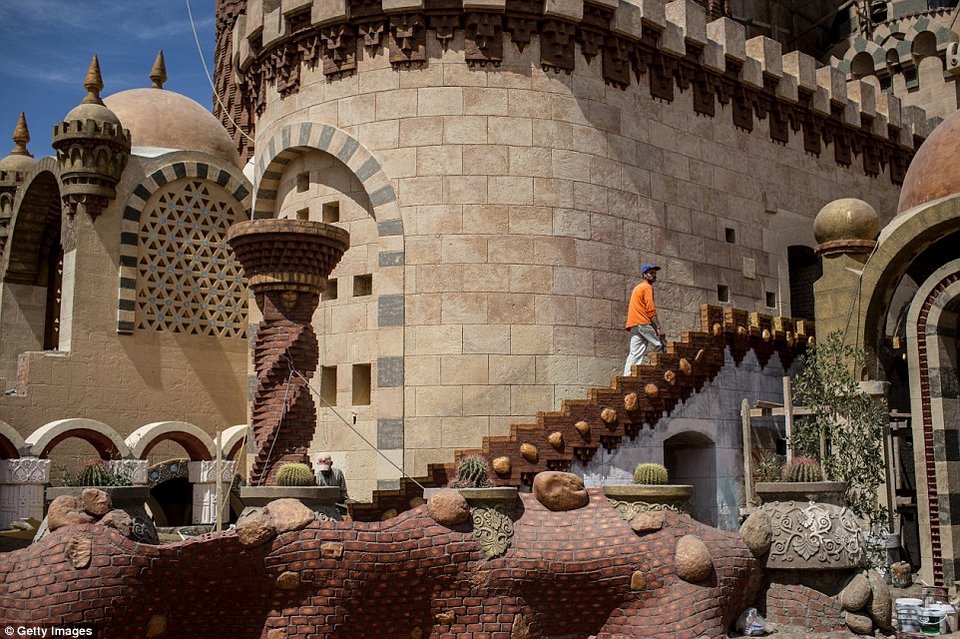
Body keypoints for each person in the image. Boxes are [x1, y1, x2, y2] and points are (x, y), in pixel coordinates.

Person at [623, 263, 666, 376]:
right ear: (645, 275)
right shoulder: (647, 287)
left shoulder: (638, 287)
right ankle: (661, 373)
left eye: (655, 273)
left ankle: (627, 377)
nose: (654, 275)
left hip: (634, 324)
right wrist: (658, 327)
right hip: (642, 322)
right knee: (661, 345)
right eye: (651, 273)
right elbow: (650, 309)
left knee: (635, 353)